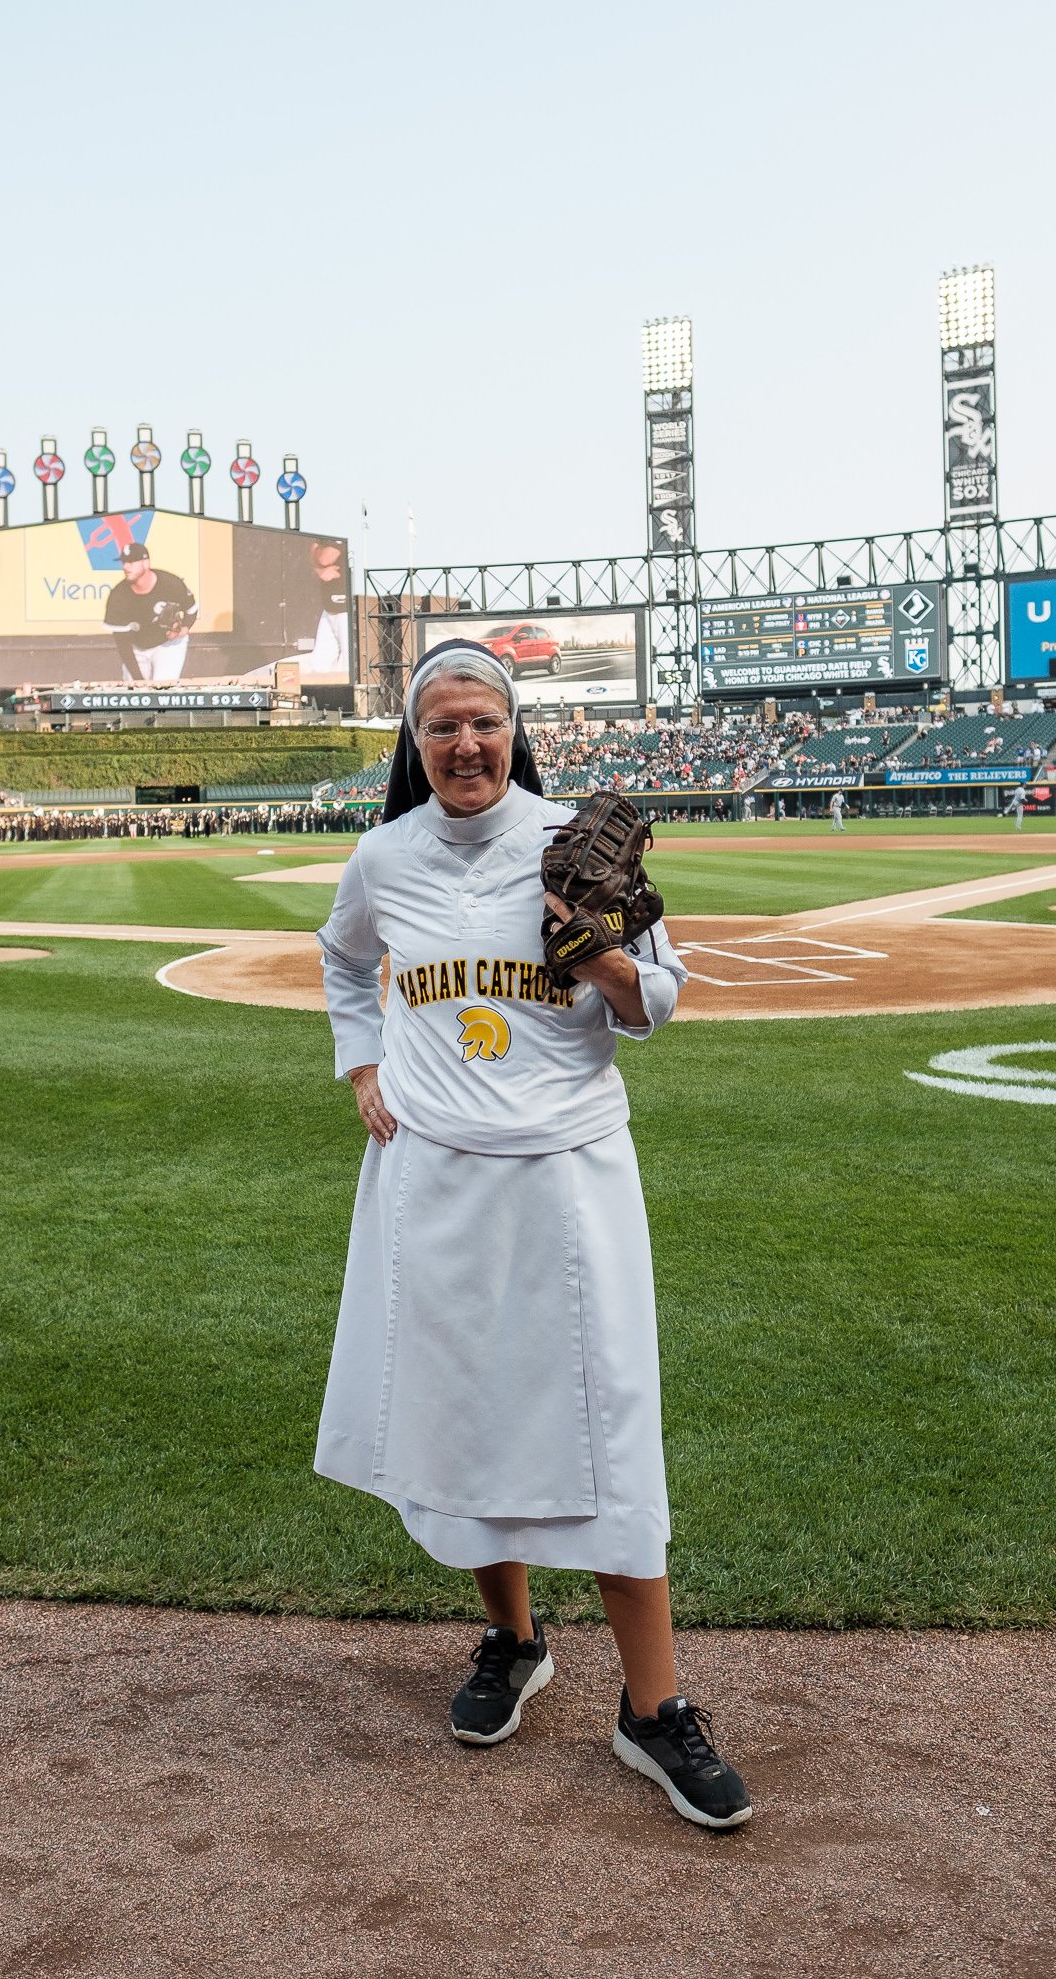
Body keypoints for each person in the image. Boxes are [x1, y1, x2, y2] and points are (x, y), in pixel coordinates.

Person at [314, 640, 752, 1831]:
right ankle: (513, 1637)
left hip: (567, 1180)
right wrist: (361, 1065)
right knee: (461, 1423)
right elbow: (345, 961)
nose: (465, 745)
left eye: (485, 725)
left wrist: (598, 949)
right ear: (416, 741)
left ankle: (652, 1710)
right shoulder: (384, 858)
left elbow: (657, 1004)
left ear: (515, 734)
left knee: (606, 1432)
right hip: (432, 1184)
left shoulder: (570, 845)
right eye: (442, 726)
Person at [103, 542, 198, 682]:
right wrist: (138, 681)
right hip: (136, 647)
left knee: (164, 690)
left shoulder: (170, 583)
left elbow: (192, 610)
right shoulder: (118, 595)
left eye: (131, 562)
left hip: (167, 644)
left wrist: (184, 628)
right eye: (124, 562)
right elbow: (123, 644)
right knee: (134, 696)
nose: (125, 567)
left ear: (146, 563)